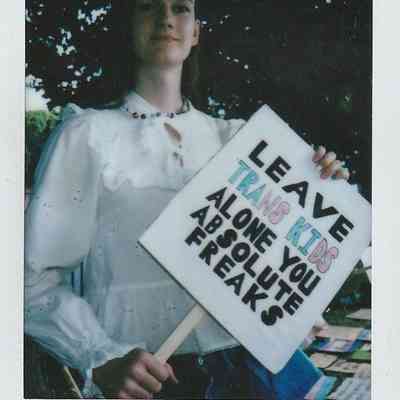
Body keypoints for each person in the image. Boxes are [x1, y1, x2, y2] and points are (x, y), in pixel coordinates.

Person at [24, 0, 350, 399]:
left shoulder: (238, 139)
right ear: (129, 25)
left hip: (259, 376)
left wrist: (323, 186)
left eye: (181, 8)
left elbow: (287, 253)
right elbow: (32, 281)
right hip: (152, 380)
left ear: (195, 31)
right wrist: (99, 356)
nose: (166, 18)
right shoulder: (87, 135)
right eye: (148, 7)